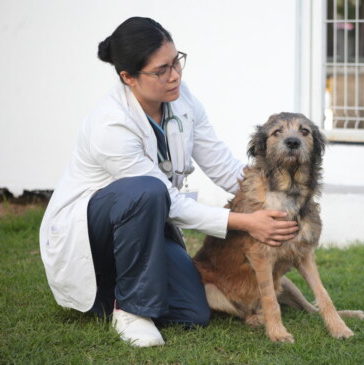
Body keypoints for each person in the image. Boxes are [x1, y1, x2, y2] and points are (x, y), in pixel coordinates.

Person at [39, 17, 298, 348]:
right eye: (161, 70)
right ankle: (132, 309)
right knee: (146, 190)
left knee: (194, 311)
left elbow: (220, 163)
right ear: (128, 77)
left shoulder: (180, 96)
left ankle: (109, 294)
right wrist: (248, 221)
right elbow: (169, 201)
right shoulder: (110, 125)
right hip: (93, 230)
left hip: (145, 228)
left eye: (176, 61)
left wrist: (277, 195)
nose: (174, 75)